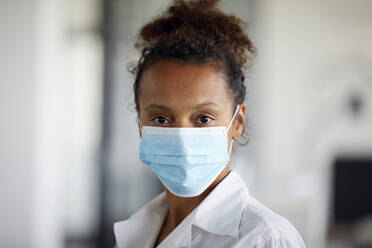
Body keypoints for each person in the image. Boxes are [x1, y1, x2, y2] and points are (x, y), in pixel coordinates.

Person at [113, 0, 307, 247]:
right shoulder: (140, 229)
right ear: (141, 124)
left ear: (237, 122)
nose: (182, 137)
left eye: (203, 118)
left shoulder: (266, 239)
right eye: (161, 119)